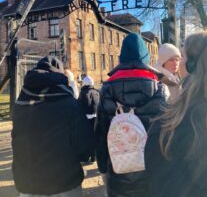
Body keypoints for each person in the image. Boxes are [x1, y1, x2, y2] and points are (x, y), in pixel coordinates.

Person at [145, 30, 207, 197]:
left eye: (181, 56)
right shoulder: (158, 85)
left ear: (192, 65)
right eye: (173, 58)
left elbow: (160, 184)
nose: (178, 62)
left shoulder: (169, 125)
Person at [95, 32, 167, 197]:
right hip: (152, 171)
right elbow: (167, 132)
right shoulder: (159, 89)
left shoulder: (107, 89)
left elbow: (100, 132)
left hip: (118, 169)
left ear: (122, 59)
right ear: (146, 59)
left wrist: (102, 168)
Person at [12, 56, 93, 197]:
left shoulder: (20, 103)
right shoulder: (70, 103)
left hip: (29, 182)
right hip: (65, 181)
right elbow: (83, 146)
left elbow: (16, 140)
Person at [78, 75, 100, 162]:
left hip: (86, 117)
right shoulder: (96, 92)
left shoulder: (83, 92)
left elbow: (80, 104)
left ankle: (87, 155)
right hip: (96, 117)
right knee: (95, 136)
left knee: (86, 136)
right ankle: (94, 155)